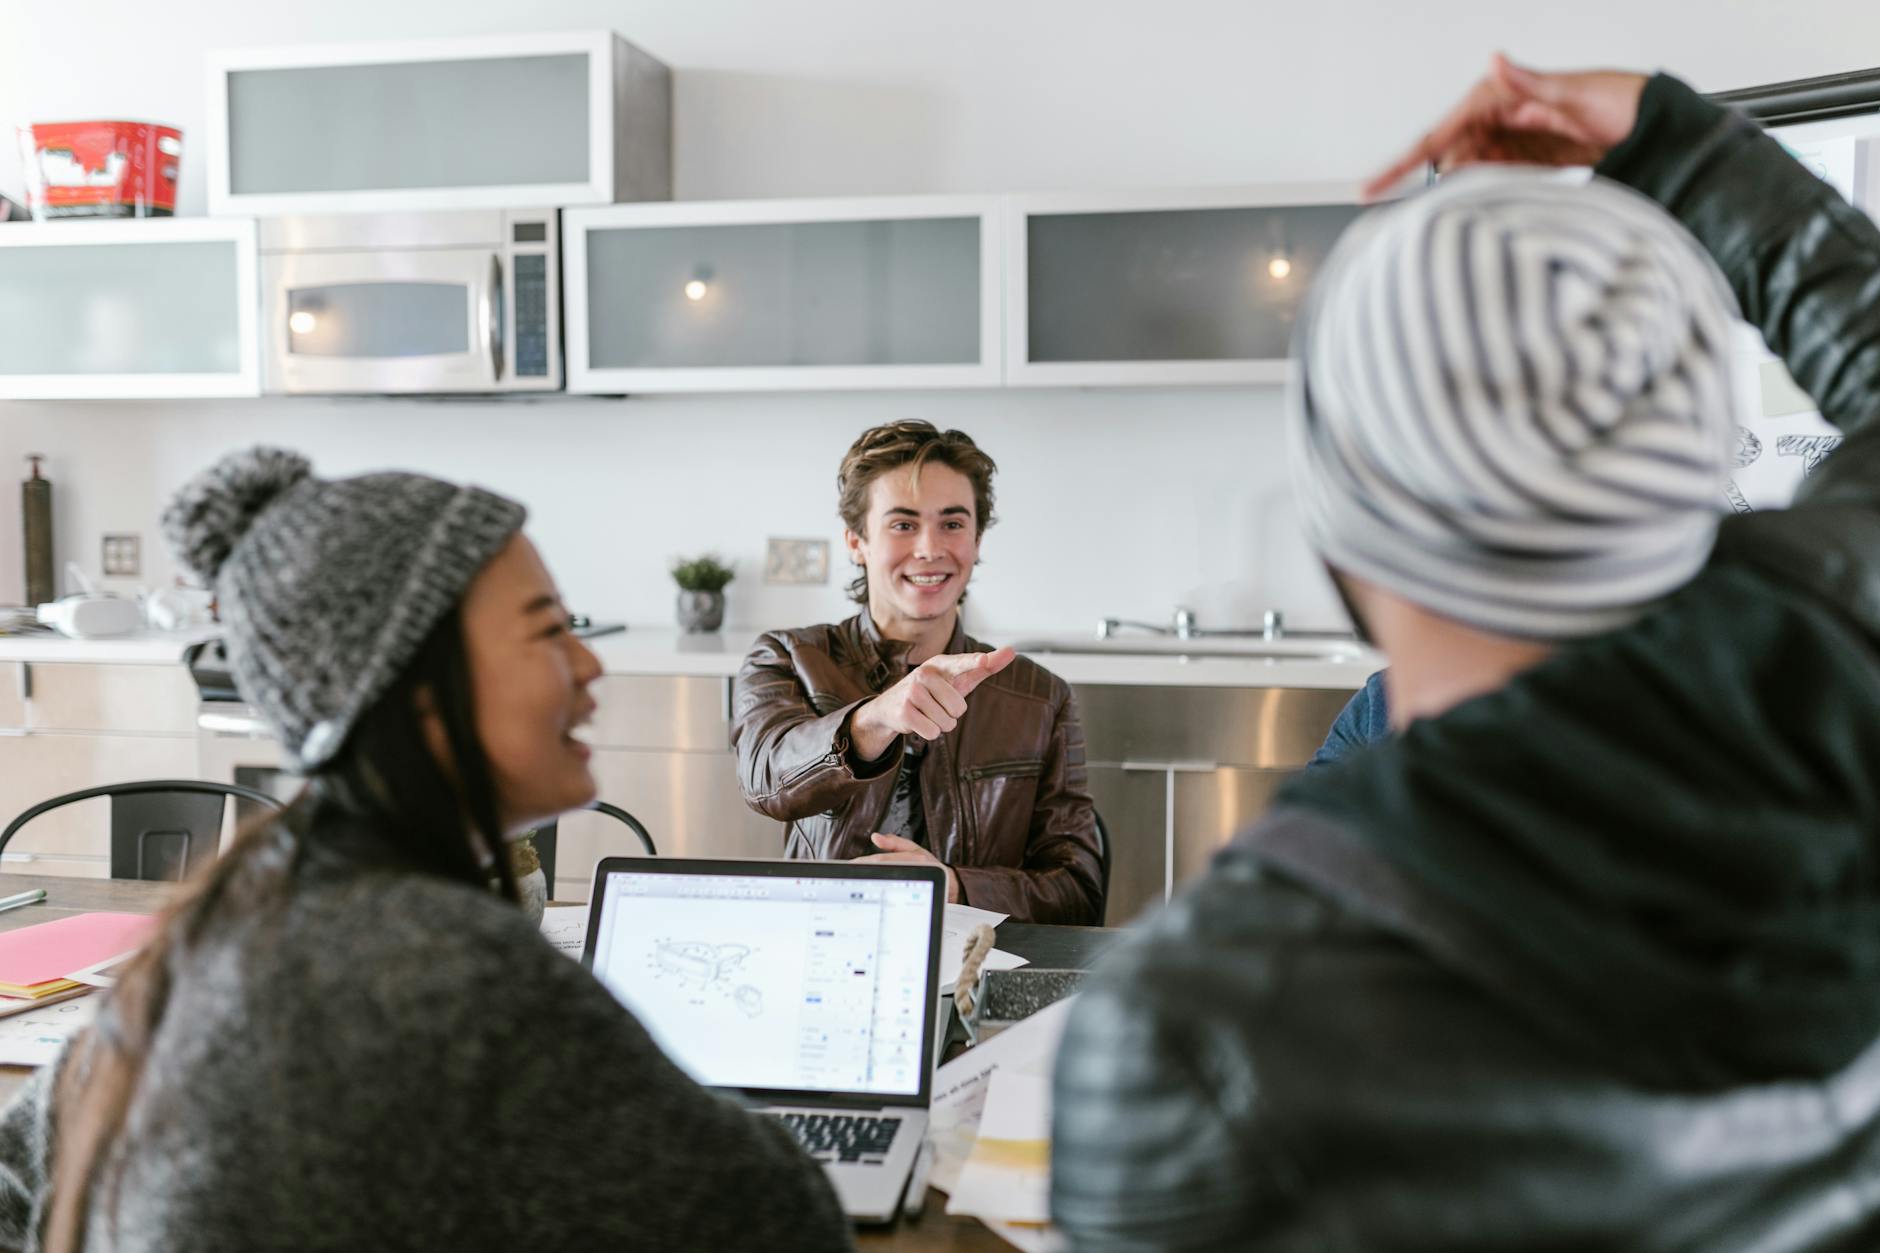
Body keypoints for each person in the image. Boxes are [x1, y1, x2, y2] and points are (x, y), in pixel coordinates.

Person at [1051, 57, 1880, 1249]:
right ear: (1692, 470)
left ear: (1341, 522)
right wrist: (1678, 148)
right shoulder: (1848, 641)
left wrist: (1674, 142)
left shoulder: (1200, 1028)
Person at [0, 449, 849, 1251]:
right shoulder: (442, 962)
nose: (589, 663)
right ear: (418, 693)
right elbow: (782, 1218)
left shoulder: (239, 906)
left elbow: (14, 1171)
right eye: (547, 630)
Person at [733, 421, 1103, 924]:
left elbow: (1078, 893)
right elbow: (765, 781)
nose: (930, 549)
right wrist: (875, 718)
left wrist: (951, 886)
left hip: (983, 972)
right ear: (856, 542)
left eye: (952, 524)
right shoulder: (786, 657)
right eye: (903, 524)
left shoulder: (1040, 696)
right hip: (823, 949)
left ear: (976, 540)